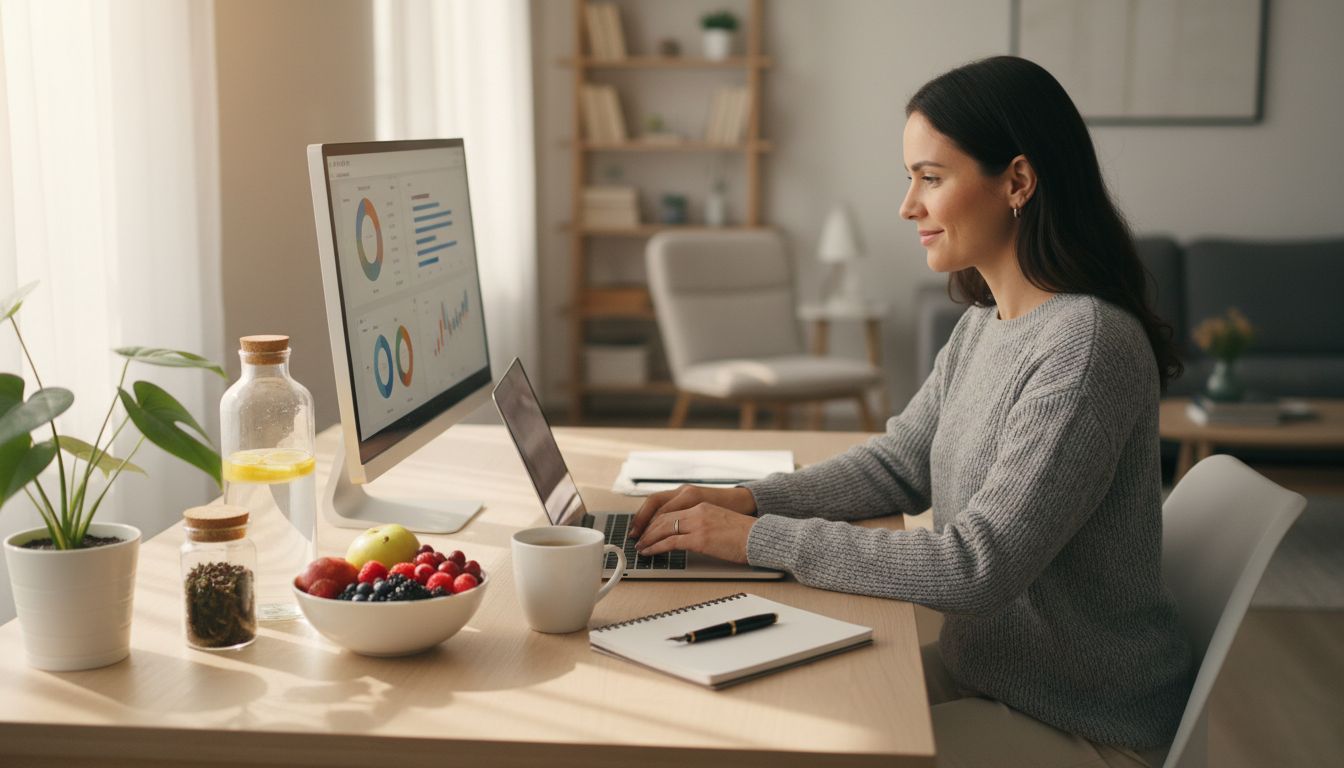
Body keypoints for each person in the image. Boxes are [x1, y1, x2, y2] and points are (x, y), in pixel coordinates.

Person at [628, 55, 1192, 768]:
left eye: (930, 178)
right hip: (987, 678)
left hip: (1080, 723)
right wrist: (747, 500)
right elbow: (899, 465)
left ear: (1017, 182)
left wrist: (754, 539)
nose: (907, 206)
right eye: (910, 178)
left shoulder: (1085, 348)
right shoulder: (986, 322)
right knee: (757, 713)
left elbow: (975, 567)